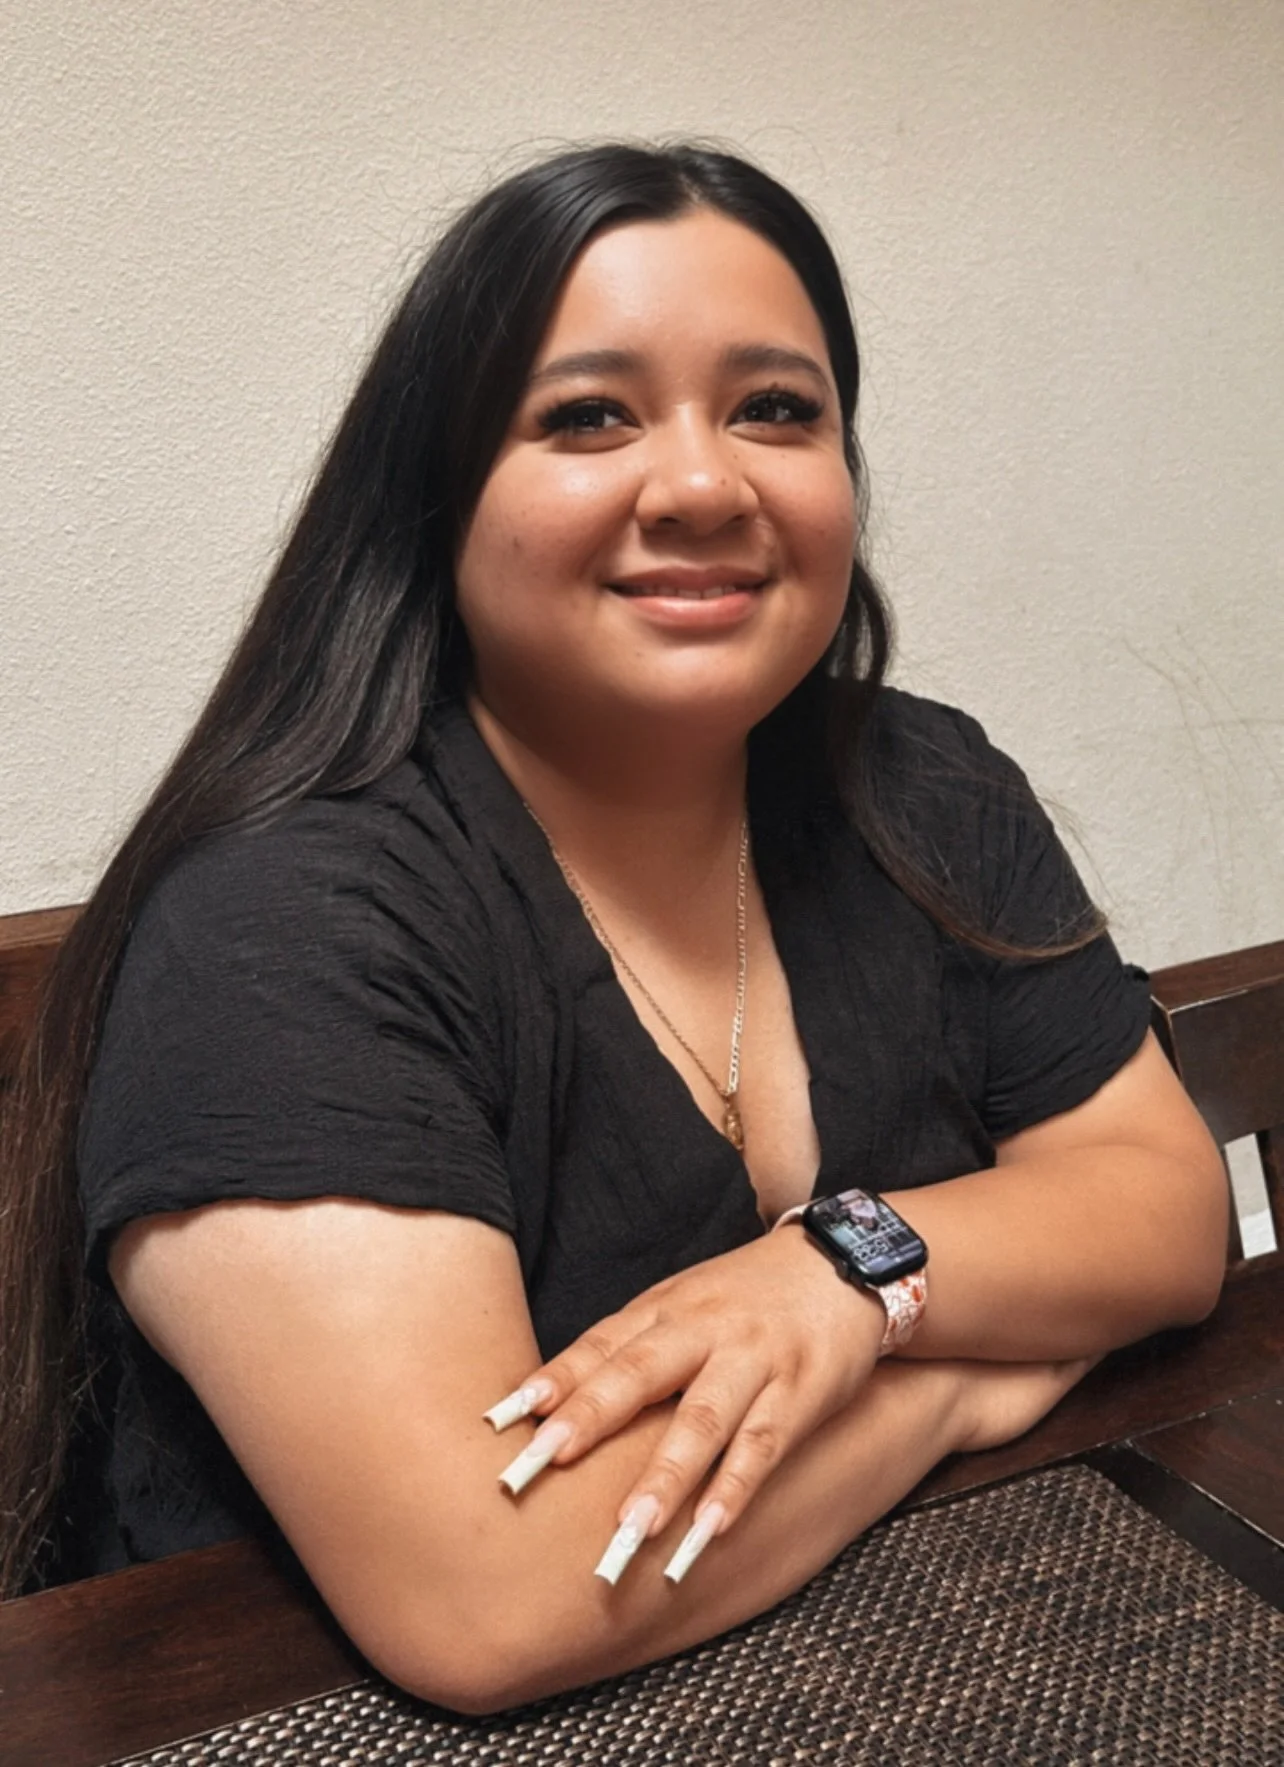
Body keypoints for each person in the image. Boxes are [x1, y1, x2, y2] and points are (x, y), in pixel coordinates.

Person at [0, 142, 1226, 1712]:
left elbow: (1166, 1212)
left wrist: (834, 1282)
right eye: (588, 415)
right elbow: (493, 1594)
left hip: (930, 1645)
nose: (705, 483)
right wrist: (955, 1389)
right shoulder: (282, 918)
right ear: (437, 491)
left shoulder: (922, 782)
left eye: (777, 408)